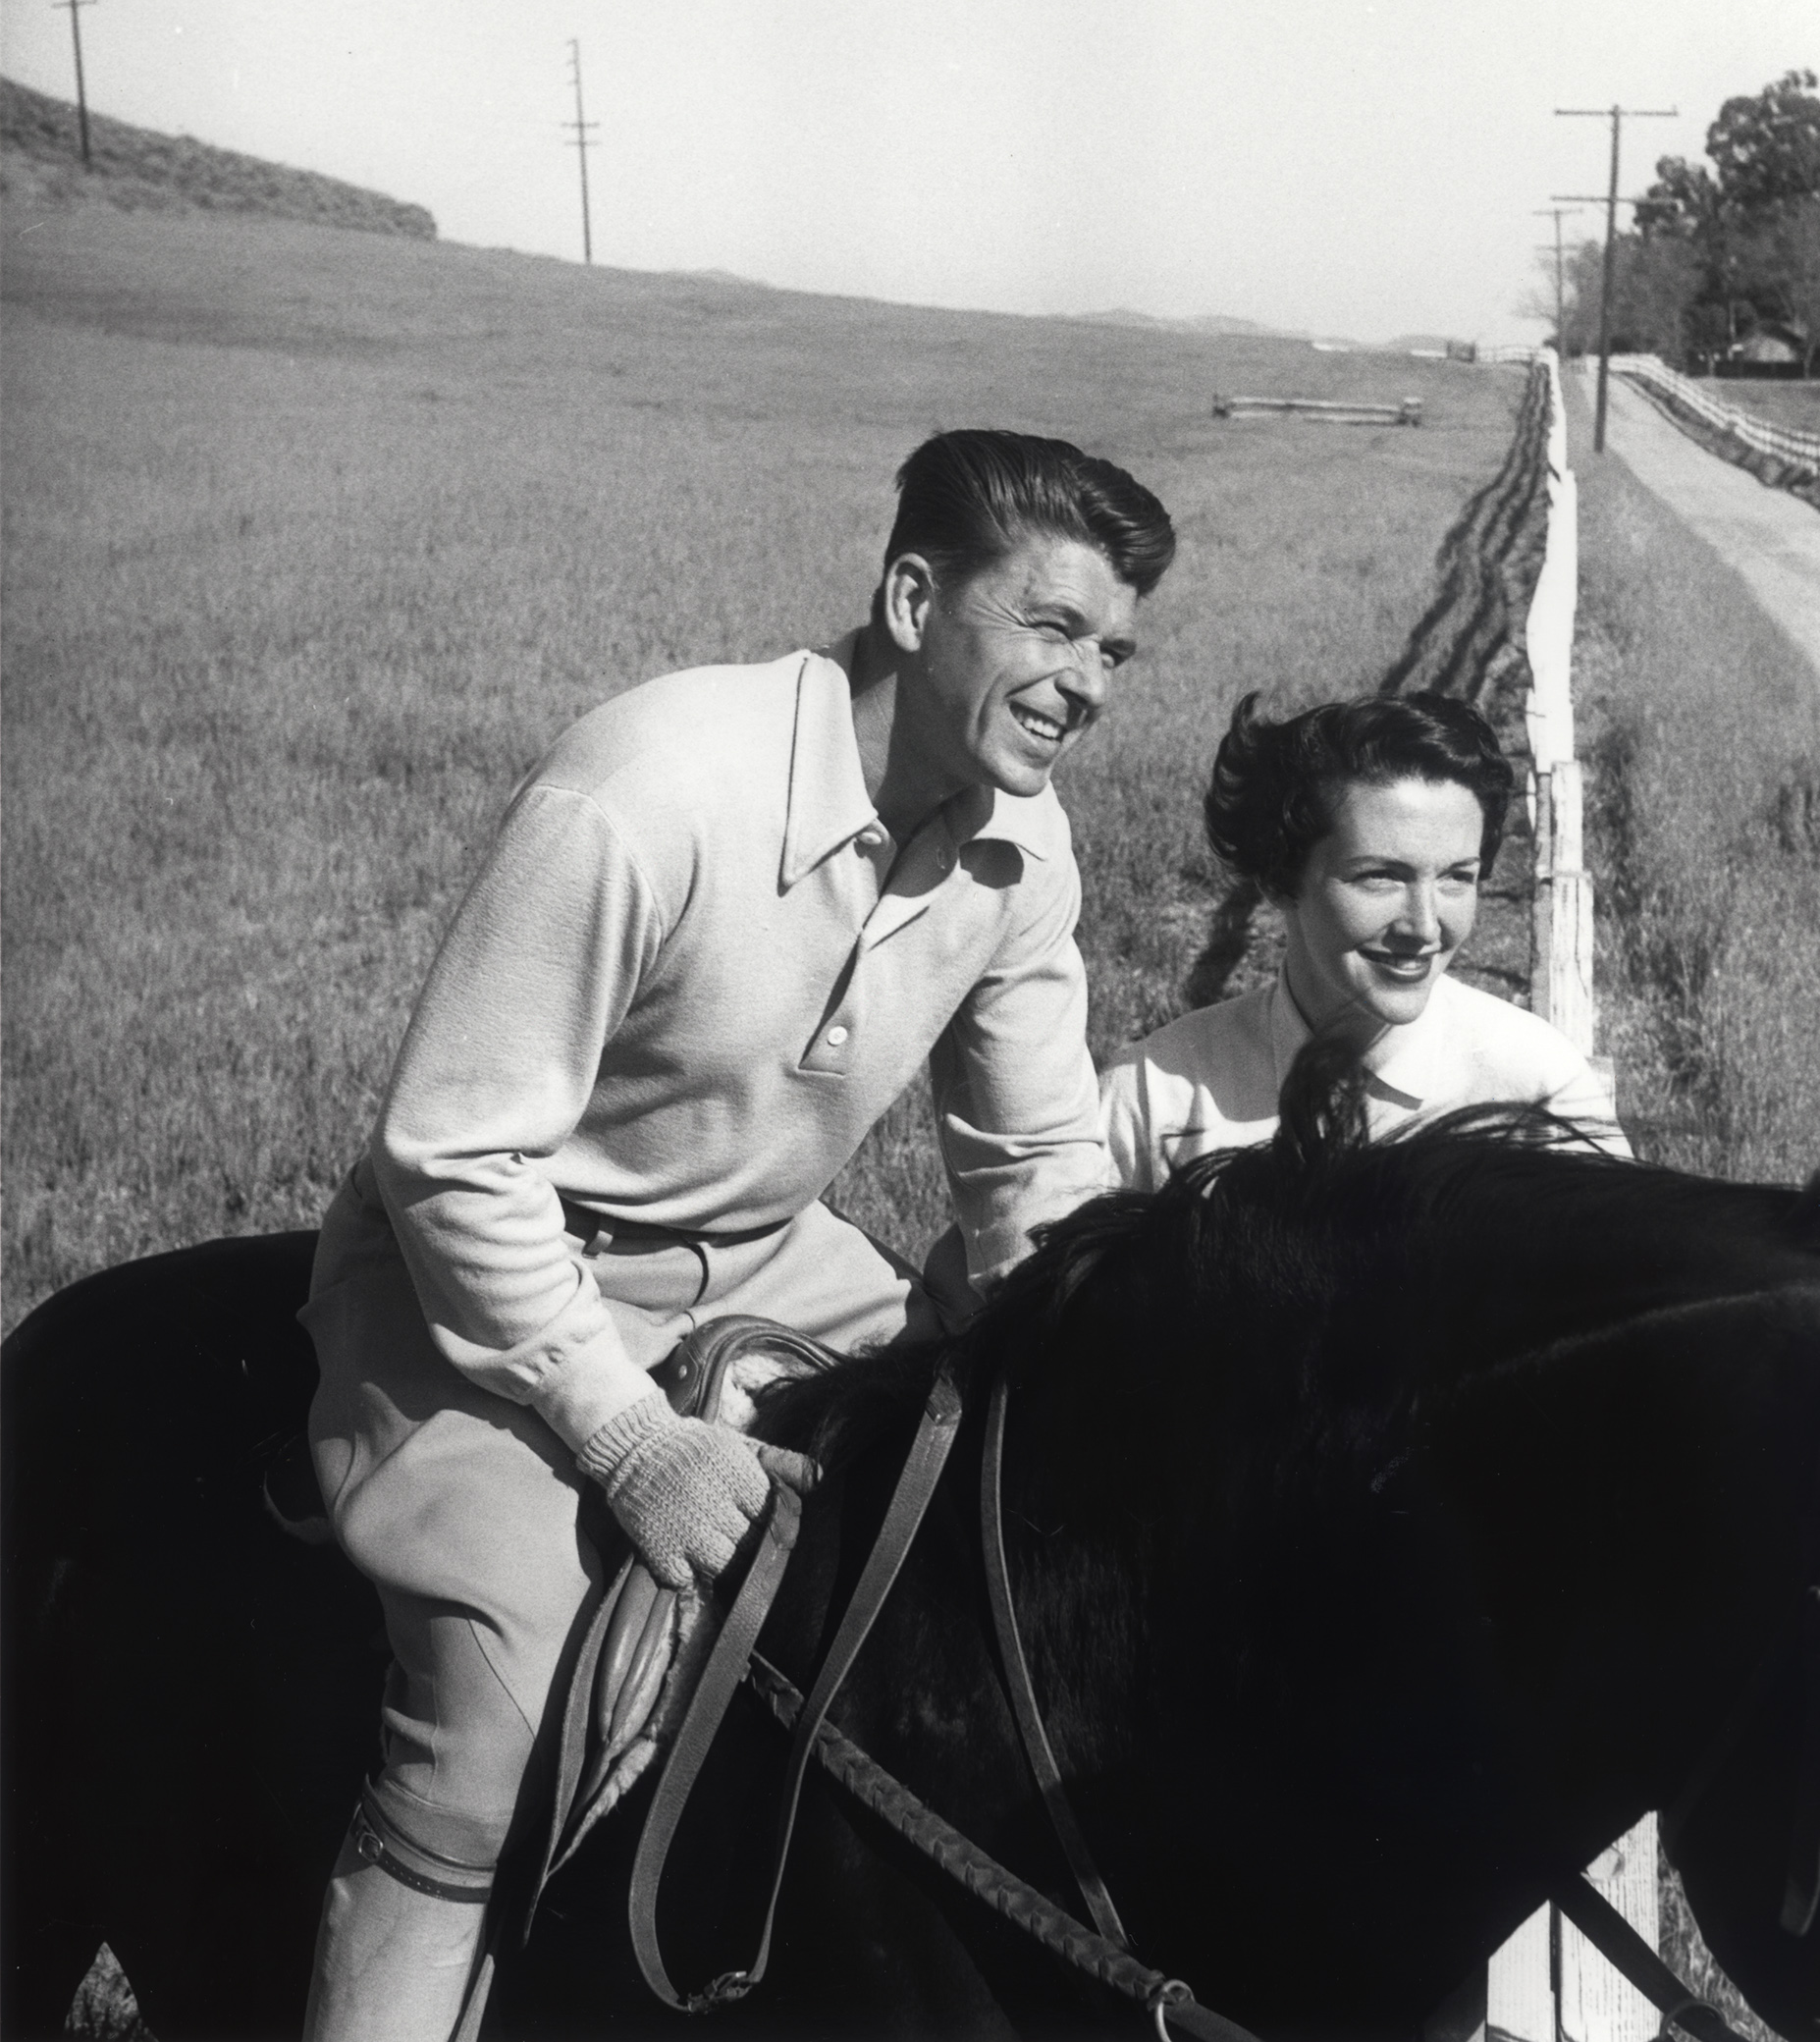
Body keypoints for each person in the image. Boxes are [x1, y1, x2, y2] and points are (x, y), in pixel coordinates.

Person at [299, 429, 1174, 2041]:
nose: (1089, 684)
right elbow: (450, 1154)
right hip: (483, 1272)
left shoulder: (1022, 839)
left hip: (773, 1255)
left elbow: (1034, 1169)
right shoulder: (651, 786)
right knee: (486, 1717)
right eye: (1051, 628)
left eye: (1113, 649)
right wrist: (624, 1436)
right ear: (913, 597)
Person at [1100, 692, 1629, 1190]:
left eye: (1457, 877)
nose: (1423, 927)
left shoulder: (1537, 1089)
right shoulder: (1155, 1096)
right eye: (1380, 877)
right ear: (1279, 879)